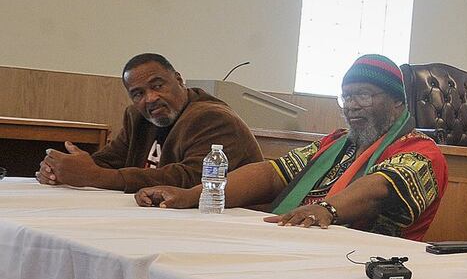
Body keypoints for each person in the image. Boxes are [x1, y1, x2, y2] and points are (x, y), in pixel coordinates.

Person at [136, 55, 447, 240]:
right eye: (346, 97)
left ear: (396, 101)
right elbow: (273, 173)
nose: (352, 106)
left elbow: (380, 187)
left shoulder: (421, 151)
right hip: (301, 245)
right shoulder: (335, 143)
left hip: (366, 266)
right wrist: (195, 196)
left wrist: (327, 210)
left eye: (363, 96)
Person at [36, 53, 262, 192]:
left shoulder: (212, 118)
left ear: (179, 80)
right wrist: (63, 170)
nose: (150, 98)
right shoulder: (138, 117)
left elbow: (192, 180)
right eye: (138, 94)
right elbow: (106, 162)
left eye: (158, 85)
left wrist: (94, 176)